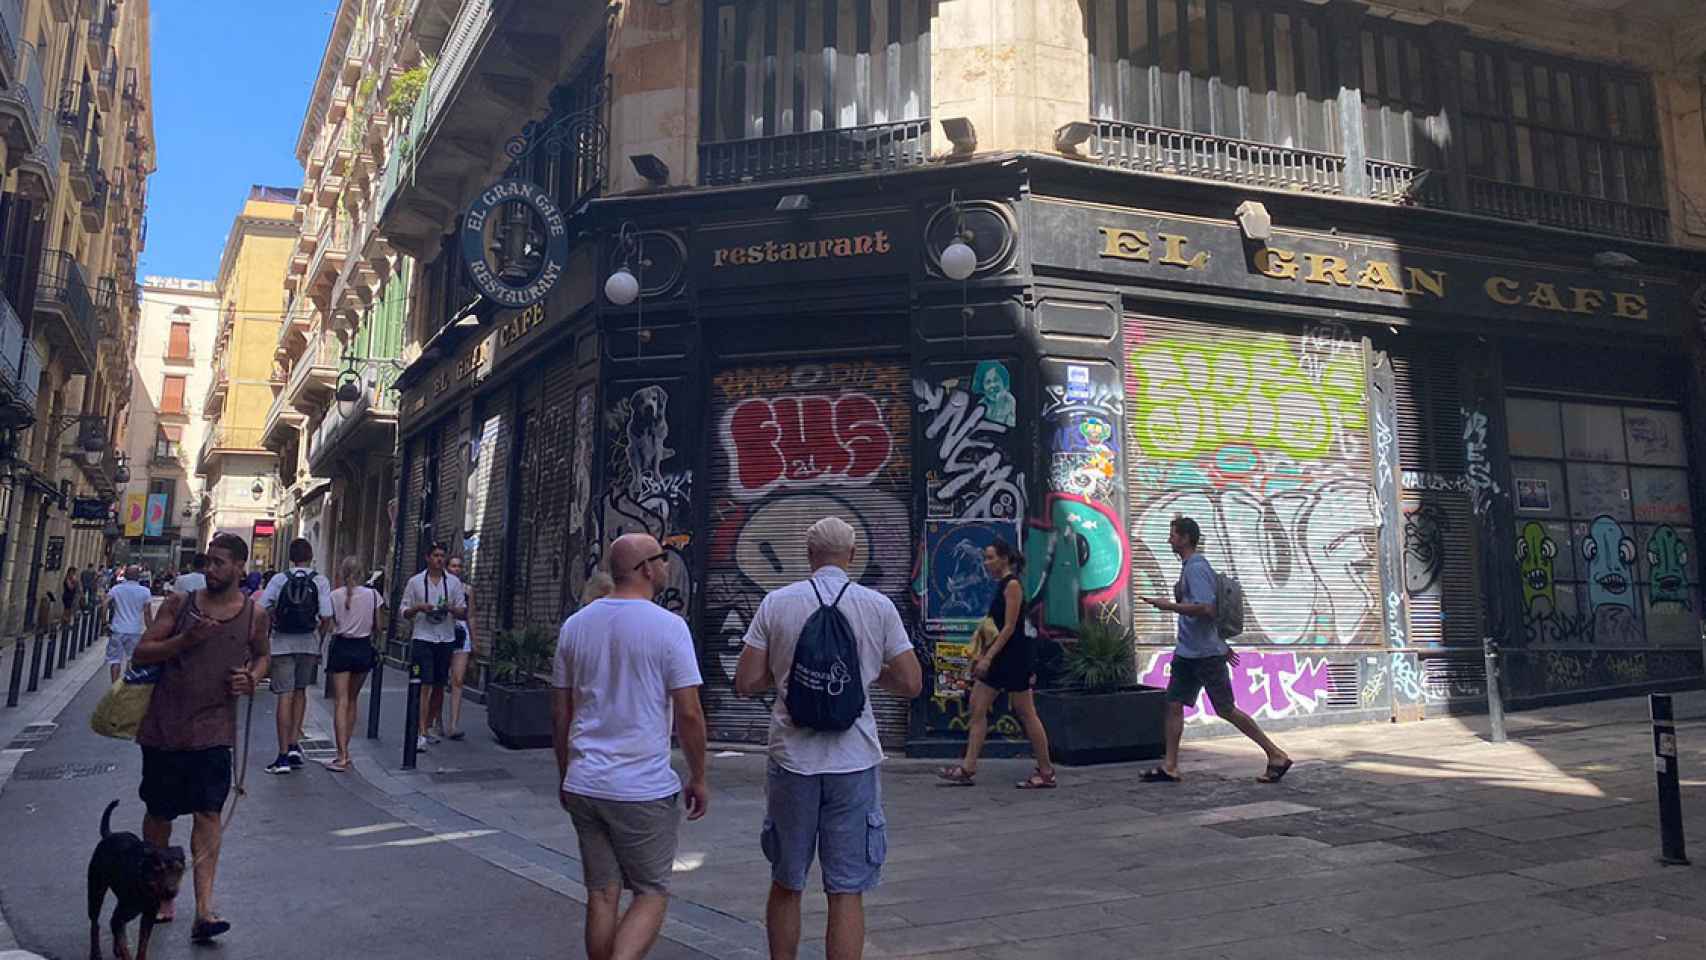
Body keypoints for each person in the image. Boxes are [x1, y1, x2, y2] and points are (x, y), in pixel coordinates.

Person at [735, 516, 922, 960]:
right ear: (853, 556)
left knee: (786, 881)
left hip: (792, 761)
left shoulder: (777, 603)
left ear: (808, 555)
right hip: (853, 762)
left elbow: (745, 681)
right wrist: (868, 675)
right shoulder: (877, 607)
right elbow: (913, 682)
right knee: (846, 889)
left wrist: (785, 674)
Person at [551, 533, 708, 960]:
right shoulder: (670, 628)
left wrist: (566, 772)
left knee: (601, 895)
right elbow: (690, 713)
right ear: (644, 569)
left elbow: (561, 712)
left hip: (586, 782)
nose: (667, 565)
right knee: (651, 891)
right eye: (661, 558)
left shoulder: (576, 625)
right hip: (641, 787)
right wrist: (699, 776)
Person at [131, 532, 268, 943]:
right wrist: (185, 640)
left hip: (214, 731)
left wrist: (252, 677)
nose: (210, 569)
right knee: (160, 816)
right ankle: (157, 892)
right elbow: (142, 651)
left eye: (220, 563)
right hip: (165, 728)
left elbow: (263, 656)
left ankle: (204, 910)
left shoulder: (254, 615)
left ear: (240, 568)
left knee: (208, 816)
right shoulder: (180, 604)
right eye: (208, 561)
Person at [1142, 516, 1293, 784]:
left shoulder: (1197, 568)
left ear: (1186, 538)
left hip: (1205, 656)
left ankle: (1275, 753)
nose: (1169, 540)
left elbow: (1207, 608)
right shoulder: (1189, 566)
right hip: (1188, 653)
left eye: (1174, 535)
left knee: (1225, 709)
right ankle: (1171, 766)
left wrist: (1168, 606)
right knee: (1173, 704)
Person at [937, 539, 1056, 789]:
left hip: (1012, 658)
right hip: (1001, 656)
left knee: (1026, 712)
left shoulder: (1012, 585)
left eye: (990, 558)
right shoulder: (1002, 585)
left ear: (1004, 559)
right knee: (977, 707)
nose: (986, 563)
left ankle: (1046, 771)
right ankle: (968, 767)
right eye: (985, 558)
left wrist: (988, 657)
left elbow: (1010, 627)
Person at [257, 539, 333, 776]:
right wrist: (318, 639)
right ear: (311, 556)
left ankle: (281, 757)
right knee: (301, 692)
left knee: (284, 696)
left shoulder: (280, 579)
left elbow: (261, 608)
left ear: (290, 557)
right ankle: (293, 745)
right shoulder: (320, 580)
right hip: (308, 644)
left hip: (281, 643)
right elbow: (327, 615)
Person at [402, 542, 466, 752]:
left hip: (445, 638)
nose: (439, 559)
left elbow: (463, 612)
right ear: (428, 558)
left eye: (442, 556)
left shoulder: (454, 583)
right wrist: (419, 608)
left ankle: (429, 726)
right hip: (423, 637)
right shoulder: (415, 582)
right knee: (425, 684)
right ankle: (420, 731)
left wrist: (450, 608)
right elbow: (403, 611)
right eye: (436, 555)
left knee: (439, 685)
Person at [325, 556, 382, 773]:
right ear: (362, 573)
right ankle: (346, 749)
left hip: (341, 647)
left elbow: (330, 625)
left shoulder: (333, 596)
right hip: (362, 648)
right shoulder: (374, 595)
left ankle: (341, 754)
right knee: (352, 699)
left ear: (341, 572)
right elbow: (379, 625)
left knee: (340, 702)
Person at [443, 555, 476, 741]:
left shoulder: (468, 590)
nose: (456, 569)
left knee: (458, 679)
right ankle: (435, 722)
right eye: (453, 566)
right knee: (439, 680)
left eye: (459, 566)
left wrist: (475, 641)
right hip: (442, 632)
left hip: (461, 635)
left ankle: (453, 724)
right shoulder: (441, 586)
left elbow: (471, 615)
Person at [103, 566, 155, 683]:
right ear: (138, 577)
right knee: (131, 659)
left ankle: (114, 687)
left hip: (118, 629)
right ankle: (127, 683)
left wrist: (105, 622)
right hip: (135, 630)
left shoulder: (117, 589)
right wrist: (151, 631)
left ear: (125, 575)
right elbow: (147, 614)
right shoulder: (145, 592)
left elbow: (105, 603)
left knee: (115, 660)